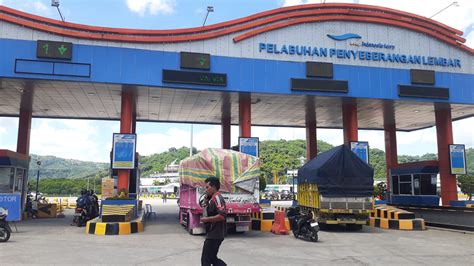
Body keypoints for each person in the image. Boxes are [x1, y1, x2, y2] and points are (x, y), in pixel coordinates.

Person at [200, 177, 227, 266]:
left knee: (206, 260)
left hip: (215, 234)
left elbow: (222, 216)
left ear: (214, 187)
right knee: (212, 258)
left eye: (207, 187)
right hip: (213, 233)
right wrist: (206, 201)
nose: (206, 190)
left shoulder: (217, 198)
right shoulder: (212, 199)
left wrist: (207, 219)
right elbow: (208, 211)